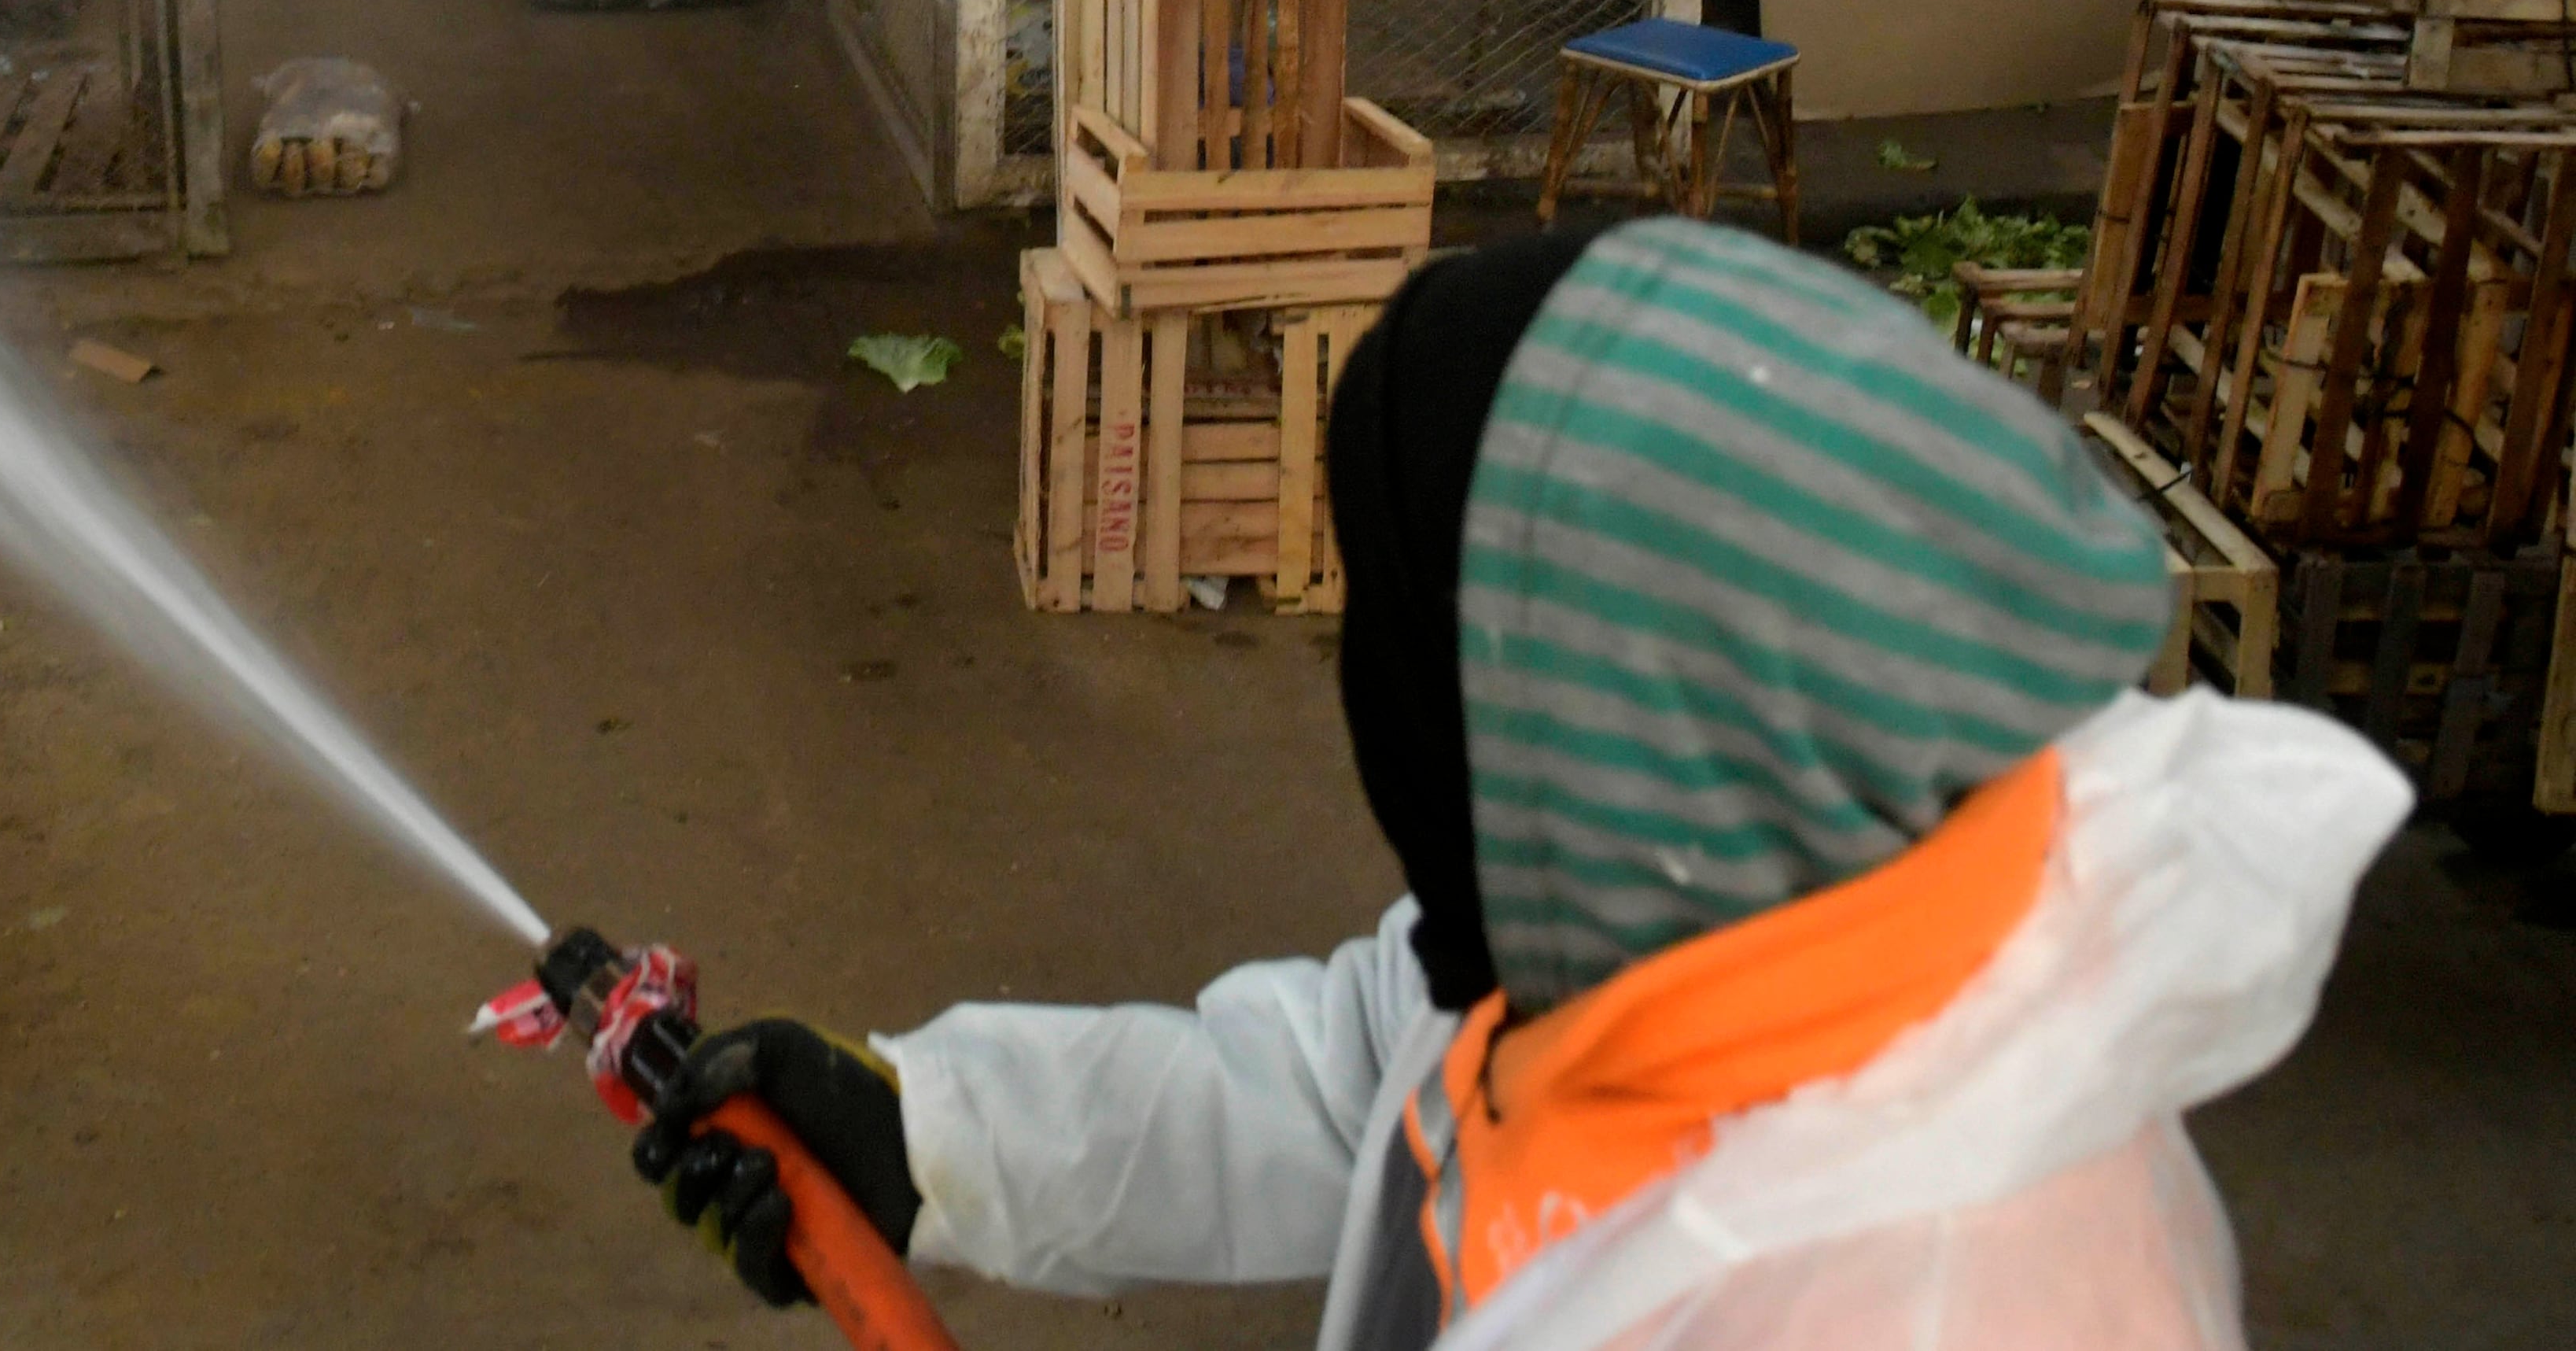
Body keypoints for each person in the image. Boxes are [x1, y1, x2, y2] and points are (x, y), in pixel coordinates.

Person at [637, 218, 2409, 1350]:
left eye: (1404, 607)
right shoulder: (1717, 916)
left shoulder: (1945, 1300)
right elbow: (1354, 1084)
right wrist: (929, 1135)